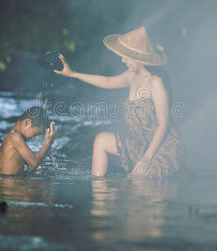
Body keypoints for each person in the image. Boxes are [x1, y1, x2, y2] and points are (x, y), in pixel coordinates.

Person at [54, 26, 184, 177]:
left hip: (164, 148)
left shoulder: (155, 82)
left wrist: (146, 159)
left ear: (138, 57)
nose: (123, 60)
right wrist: (72, 74)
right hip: (142, 146)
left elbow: (164, 124)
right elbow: (107, 81)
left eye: (127, 57)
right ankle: (98, 191)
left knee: (136, 181)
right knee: (101, 140)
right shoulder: (131, 76)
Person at [0, 106, 56, 175]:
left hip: (13, 181)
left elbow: (31, 167)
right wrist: (47, 143)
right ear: (27, 122)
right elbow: (34, 163)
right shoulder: (15, 137)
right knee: (45, 183)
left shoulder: (12, 136)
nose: (33, 138)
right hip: (11, 184)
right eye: (35, 134)